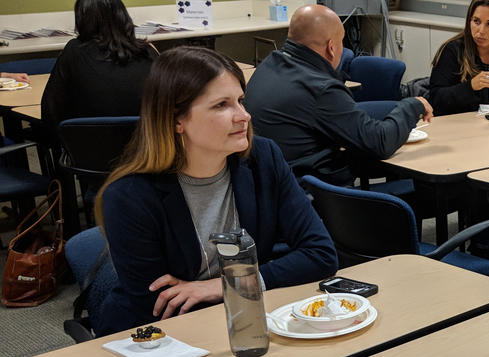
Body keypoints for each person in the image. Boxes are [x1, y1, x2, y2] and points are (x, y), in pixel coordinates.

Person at [94, 47, 337, 335]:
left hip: (243, 322)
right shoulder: (129, 196)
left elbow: (321, 254)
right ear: (176, 120)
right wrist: (254, 283)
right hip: (155, 339)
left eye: (240, 101)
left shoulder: (263, 159)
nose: (243, 116)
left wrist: (221, 286)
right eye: (222, 105)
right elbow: (160, 306)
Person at [244, 3, 432, 186]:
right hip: (312, 195)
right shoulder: (320, 89)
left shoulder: (268, 65)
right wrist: (413, 105)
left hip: (268, 183)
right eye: (342, 42)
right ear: (331, 48)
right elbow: (379, 142)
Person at [40, 0, 158, 137]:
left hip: (91, 149)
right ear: (123, 15)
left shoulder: (74, 51)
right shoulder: (148, 51)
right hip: (148, 148)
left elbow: (50, 110)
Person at [427, 0, 489, 116]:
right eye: (476, 21)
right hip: (457, 127)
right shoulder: (453, 51)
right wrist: (470, 86)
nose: (481, 31)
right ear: (469, 22)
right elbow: (435, 99)